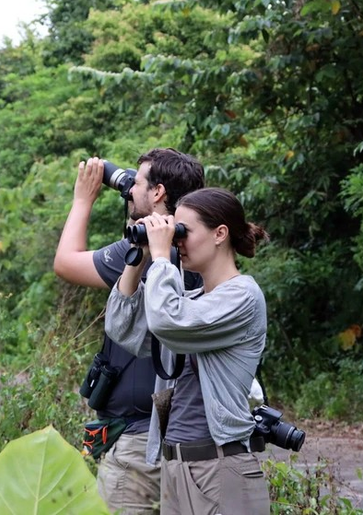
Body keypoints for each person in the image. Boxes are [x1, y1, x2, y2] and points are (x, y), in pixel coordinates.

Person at [54, 149, 205, 514]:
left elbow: (64, 262)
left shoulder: (143, 248)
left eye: (136, 183)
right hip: (181, 435)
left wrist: (82, 200)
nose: (129, 189)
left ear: (158, 194)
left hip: (139, 443)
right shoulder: (200, 249)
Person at [104, 187, 271, 515]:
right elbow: (123, 329)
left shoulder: (243, 297)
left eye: (184, 232)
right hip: (176, 467)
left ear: (220, 234)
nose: (176, 240)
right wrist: (139, 257)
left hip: (220, 467)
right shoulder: (193, 302)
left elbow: (168, 321)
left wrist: (163, 256)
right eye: (174, 231)